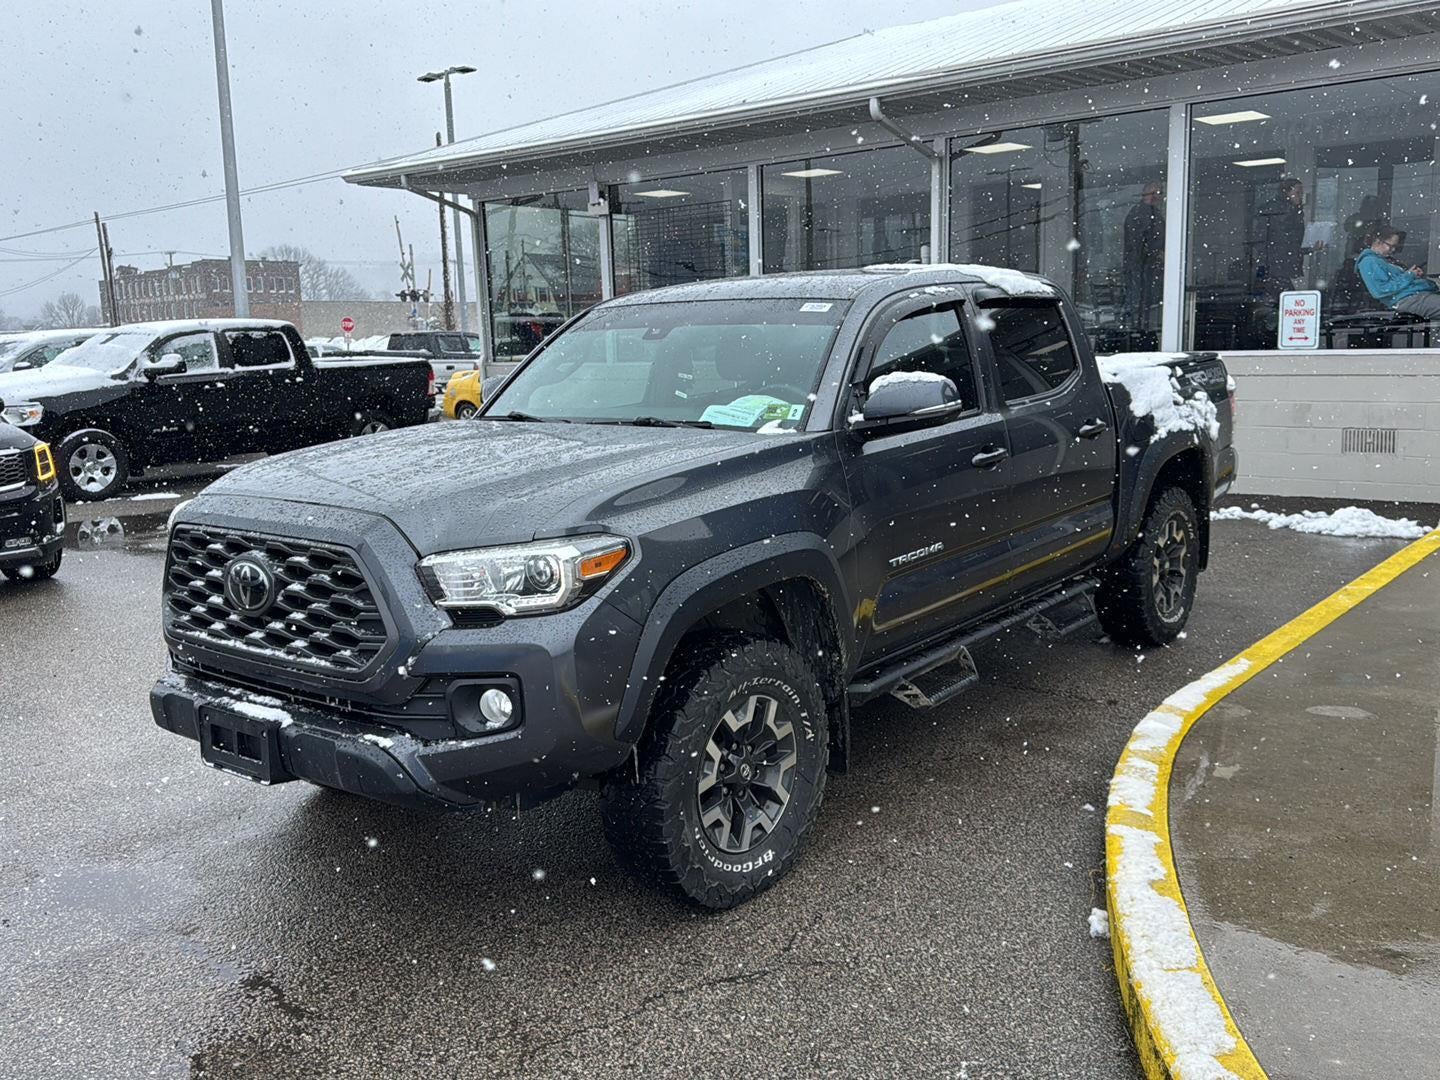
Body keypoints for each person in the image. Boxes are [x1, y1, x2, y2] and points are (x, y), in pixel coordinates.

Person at [1253, 177, 1321, 298]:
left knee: (1285, 299)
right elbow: (1286, 242)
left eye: (1301, 193)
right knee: (1289, 300)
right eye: (1297, 193)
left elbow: (1290, 243)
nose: (1301, 197)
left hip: (1278, 265)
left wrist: (1310, 248)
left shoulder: (1288, 211)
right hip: (1277, 266)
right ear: (1286, 193)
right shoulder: (1282, 212)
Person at [1355, 226, 1440, 319]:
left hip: (1417, 295)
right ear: (1378, 241)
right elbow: (1380, 290)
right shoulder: (1369, 262)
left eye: (1395, 247)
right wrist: (1409, 276)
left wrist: (1411, 274)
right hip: (1407, 299)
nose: (1393, 250)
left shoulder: (1382, 260)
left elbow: (1396, 281)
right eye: (1391, 246)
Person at [1123, 181, 1164, 329]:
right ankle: (1137, 331)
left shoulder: (1152, 213)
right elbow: (1139, 243)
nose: (1155, 197)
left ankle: (1140, 330)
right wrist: (1157, 253)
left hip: (1145, 268)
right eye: (1152, 193)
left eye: (1158, 193)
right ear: (1144, 194)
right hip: (1141, 268)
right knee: (1139, 304)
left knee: (1144, 306)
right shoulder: (1142, 213)